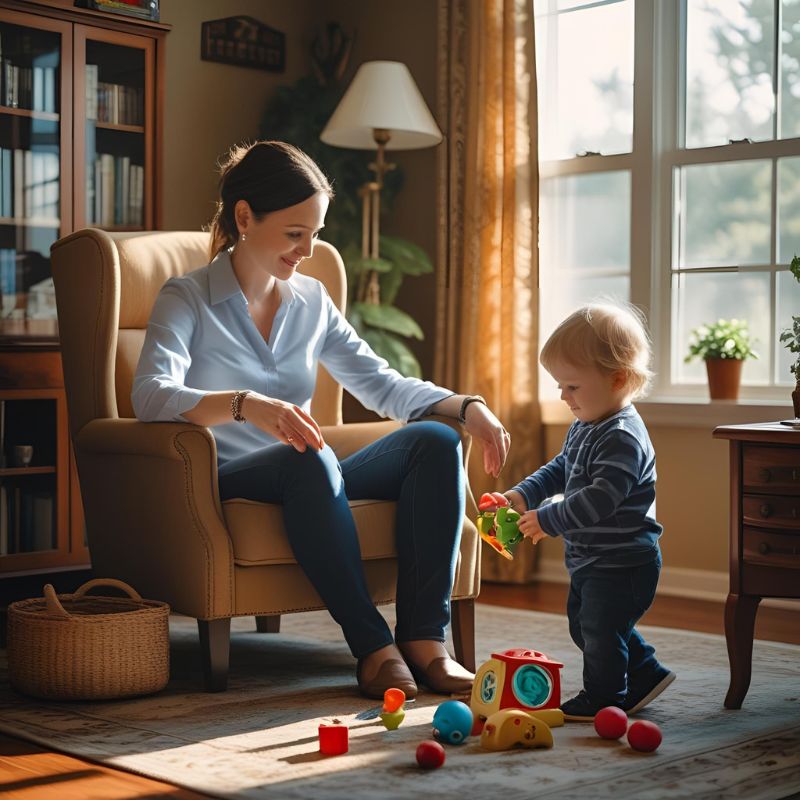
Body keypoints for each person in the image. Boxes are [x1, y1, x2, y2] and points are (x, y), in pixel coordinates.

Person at [132, 140, 511, 700]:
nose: (308, 250)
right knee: (308, 456)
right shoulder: (186, 297)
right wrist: (244, 404)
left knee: (434, 442)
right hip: (226, 476)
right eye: (295, 233)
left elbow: (381, 383)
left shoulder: (312, 301)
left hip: (311, 475)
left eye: (315, 233)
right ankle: (373, 648)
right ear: (244, 218)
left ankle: (424, 641)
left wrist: (466, 406)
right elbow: (149, 394)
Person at [503, 302, 675, 721]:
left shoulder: (622, 436)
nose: (564, 396)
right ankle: (646, 672)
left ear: (618, 379)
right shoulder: (586, 424)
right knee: (587, 625)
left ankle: (604, 696)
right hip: (592, 558)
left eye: (573, 386)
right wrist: (527, 493)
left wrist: (548, 519)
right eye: (560, 386)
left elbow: (601, 499)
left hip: (624, 562)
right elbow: (562, 468)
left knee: (600, 628)